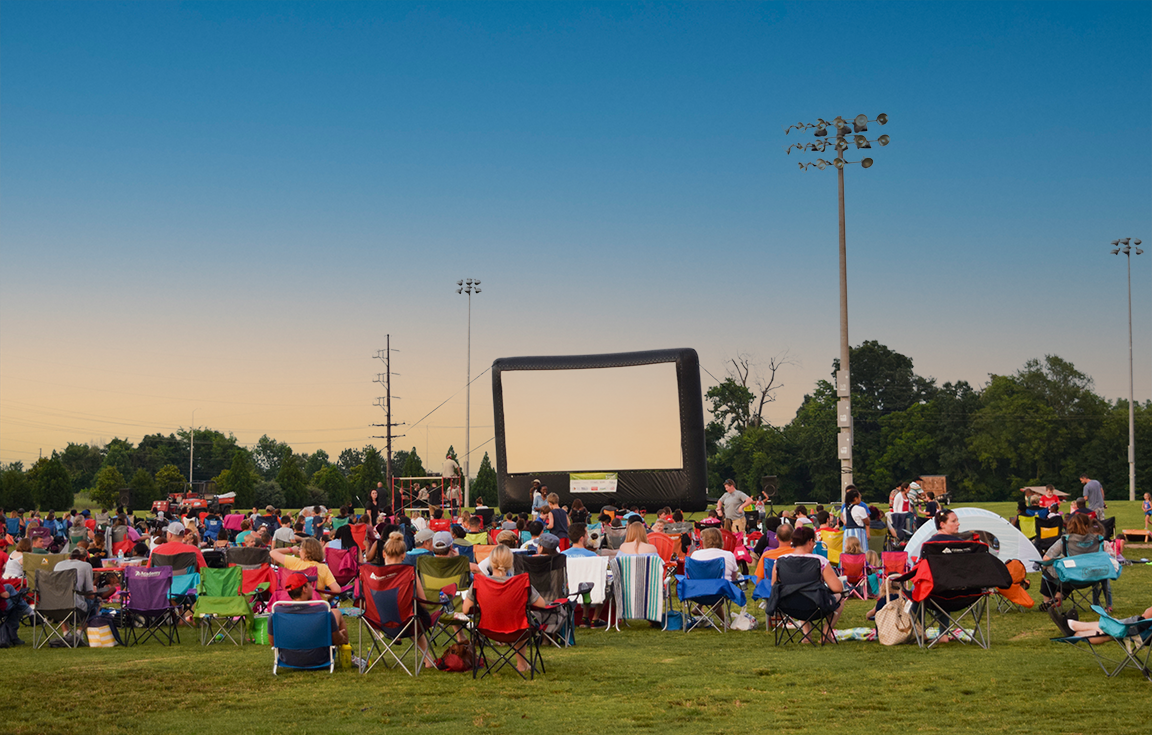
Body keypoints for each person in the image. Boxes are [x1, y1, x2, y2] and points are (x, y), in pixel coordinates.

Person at [461, 544, 549, 673]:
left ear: (491, 561)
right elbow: (542, 604)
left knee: (521, 620)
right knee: (522, 620)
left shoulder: (479, 583)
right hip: (518, 630)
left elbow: (466, 609)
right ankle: (521, 664)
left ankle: (522, 664)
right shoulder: (521, 582)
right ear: (511, 562)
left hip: (487, 629)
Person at [769, 526, 846, 640]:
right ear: (810, 541)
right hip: (815, 605)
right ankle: (826, 634)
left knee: (799, 592)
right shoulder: (820, 561)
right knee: (839, 597)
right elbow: (837, 588)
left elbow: (773, 585)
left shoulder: (779, 561)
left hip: (787, 606)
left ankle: (807, 635)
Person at [271, 571, 348, 667]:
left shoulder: (277, 613)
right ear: (304, 589)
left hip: (288, 659)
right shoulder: (323, 610)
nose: (312, 588)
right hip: (320, 658)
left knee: (335, 613)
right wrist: (340, 636)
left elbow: (273, 642)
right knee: (336, 613)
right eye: (310, 585)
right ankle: (349, 653)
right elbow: (336, 639)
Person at [1038, 512, 1106, 612]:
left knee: (1049, 569)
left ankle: (1047, 601)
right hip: (1091, 577)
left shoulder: (1065, 540)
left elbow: (1046, 559)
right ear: (1087, 526)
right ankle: (1058, 596)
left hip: (1071, 577)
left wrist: (1046, 565)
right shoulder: (1097, 540)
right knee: (1071, 572)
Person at [270, 538, 342, 594]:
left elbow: (273, 552)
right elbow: (336, 590)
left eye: (300, 548)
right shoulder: (323, 567)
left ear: (305, 552)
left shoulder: (294, 562)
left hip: (292, 603)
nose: (299, 551)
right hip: (316, 604)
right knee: (337, 613)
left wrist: (291, 549)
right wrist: (327, 597)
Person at [1048, 604, 1152, 641]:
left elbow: (1147, 615)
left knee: (1115, 628)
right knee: (1113, 631)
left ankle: (1072, 626)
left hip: (1144, 631)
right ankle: (1077, 632)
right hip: (1145, 631)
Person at [841, 486, 870, 552]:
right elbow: (867, 521)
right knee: (860, 549)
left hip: (848, 532)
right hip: (858, 531)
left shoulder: (845, 509)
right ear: (856, 498)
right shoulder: (860, 509)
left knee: (848, 550)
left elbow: (844, 519)